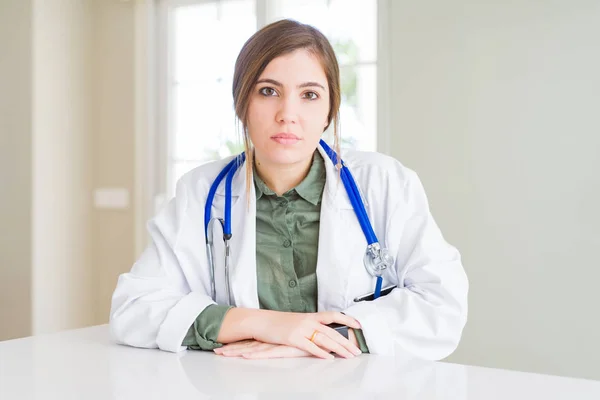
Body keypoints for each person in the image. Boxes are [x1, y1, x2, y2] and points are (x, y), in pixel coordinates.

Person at [109, 19, 468, 360]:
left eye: (309, 95)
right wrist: (271, 325)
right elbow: (134, 308)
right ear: (242, 104)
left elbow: (441, 305)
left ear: (329, 111)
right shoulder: (201, 192)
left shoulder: (385, 184)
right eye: (268, 91)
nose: (287, 113)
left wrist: (314, 341)